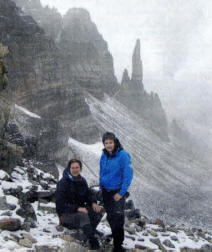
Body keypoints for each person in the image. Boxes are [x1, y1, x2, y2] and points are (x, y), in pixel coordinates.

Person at [56, 158, 103, 250]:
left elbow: (88, 194)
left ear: (80, 168)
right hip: (65, 215)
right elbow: (60, 204)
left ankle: (89, 230)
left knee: (98, 210)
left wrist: (93, 202)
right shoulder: (63, 182)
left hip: (78, 211)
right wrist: (77, 208)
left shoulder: (82, 180)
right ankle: (92, 241)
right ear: (69, 169)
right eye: (72, 167)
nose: (75, 169)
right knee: (83, 216)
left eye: (77, 167)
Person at [99, 132, 133, 252]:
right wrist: (100, 187)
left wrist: (121, 192)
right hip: (106, 191)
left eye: (110, 142)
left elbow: (128, 175)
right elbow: (101, 172)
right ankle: (115, 236)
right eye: (106, 143)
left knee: (118, 217)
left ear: (115, 142)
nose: (108, 145)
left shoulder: (123, 155)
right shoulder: (104, 155)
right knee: (111, 217)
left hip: (117, 192)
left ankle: (118, 246)